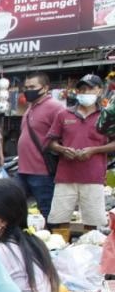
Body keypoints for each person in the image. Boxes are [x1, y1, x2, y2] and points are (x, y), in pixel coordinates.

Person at [46, 74, 115, 234]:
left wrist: (94, 150)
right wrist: (63, 149)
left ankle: (88, 250)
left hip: (93, 178)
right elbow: (50, 142)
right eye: (82, 88)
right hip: (65, 177)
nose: (85, 92)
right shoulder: (63, 115)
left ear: (100, 90)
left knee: (92, 223)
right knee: (59, 220)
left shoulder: (107, 116)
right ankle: (59, 248)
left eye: (90, 88)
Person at [18, 71, 64, 222]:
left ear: (45, 88)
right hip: (23, 170)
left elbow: (64, 136)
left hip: (42, 171)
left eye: (32, 86)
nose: (28, 90)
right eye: (26, 86)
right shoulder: (30, 108)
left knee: (46, 211)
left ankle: (49, 242)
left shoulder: (55, 107)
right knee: (15, 208)